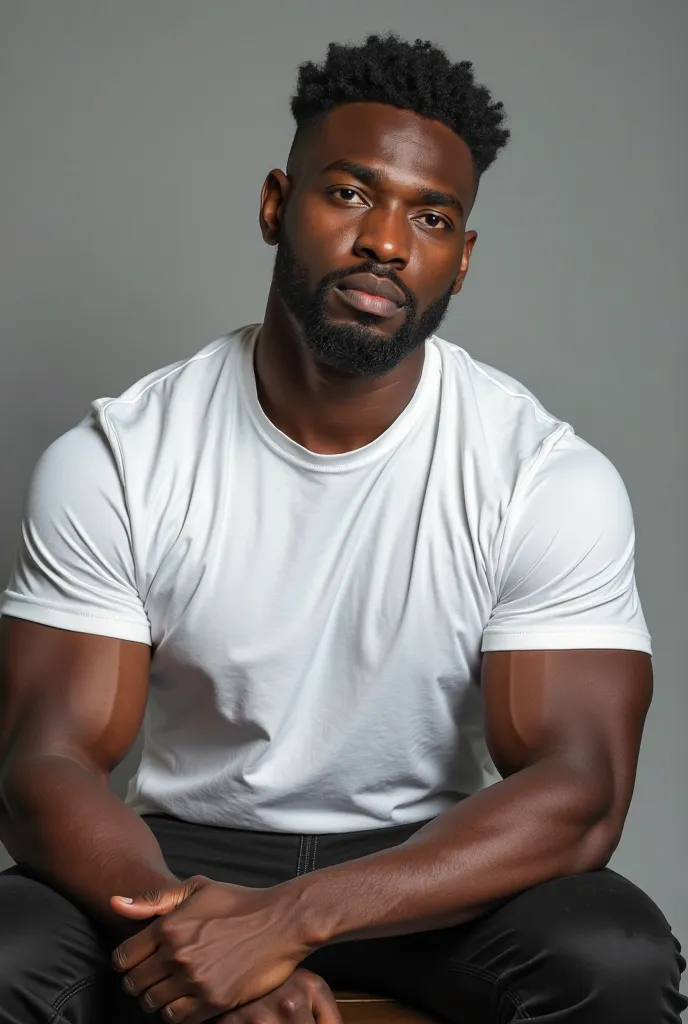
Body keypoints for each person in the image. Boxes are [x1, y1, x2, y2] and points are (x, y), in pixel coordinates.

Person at [0, 31, 685, 1024]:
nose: (387, 243)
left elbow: (579, 787)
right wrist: (200, 929)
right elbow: (45, 763)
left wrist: (289, 922)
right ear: (278, 203)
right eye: (351, 193)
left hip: (426, 870)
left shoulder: (541, 476)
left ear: (463, 257)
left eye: (433, 216)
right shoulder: (120, 456)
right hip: (182, 853)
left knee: (610, 955)